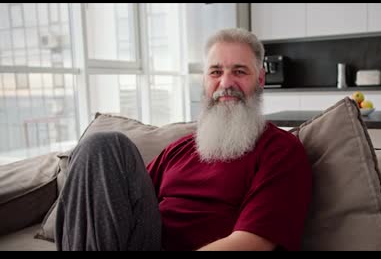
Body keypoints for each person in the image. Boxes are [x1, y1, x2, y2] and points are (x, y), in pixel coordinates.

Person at [55, 28, 312, 251]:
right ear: (204, 81)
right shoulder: (181, 148)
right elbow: (121, 199)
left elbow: (254, 243)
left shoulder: (281, 150)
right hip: (147, 242)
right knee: (101, 146)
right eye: (215, 71)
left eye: (239, 71)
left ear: (260, 80)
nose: (226, 82)